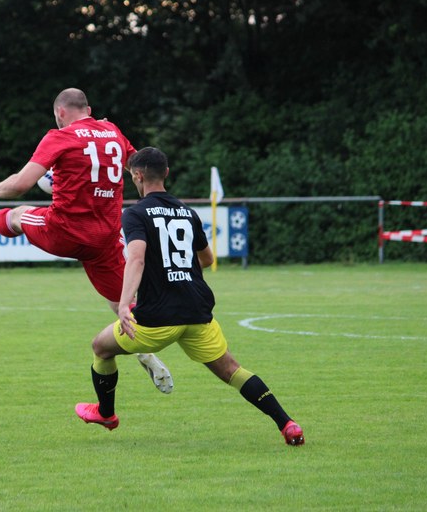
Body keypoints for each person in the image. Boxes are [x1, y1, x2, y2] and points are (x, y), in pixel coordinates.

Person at [74, 147, 305, 446]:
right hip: (196, 310)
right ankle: (287, 424)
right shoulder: (188, 212)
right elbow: (207, 259)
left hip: (156, 318)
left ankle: (106, 413)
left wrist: (123, 305)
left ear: (137, 176)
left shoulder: (135, 214)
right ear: (167, 173)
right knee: (232, 370)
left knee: (101, 348)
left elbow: (137, 259)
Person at [0, 87, 174, 394]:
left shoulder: (59, 136)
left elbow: (21, 184)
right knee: (121, 301)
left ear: (60, 112)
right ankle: (144, 349)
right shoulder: (112, 131)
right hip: (104, 237)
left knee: (19, 215)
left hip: (65, 231)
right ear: (89, 111)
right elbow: (138, 167)